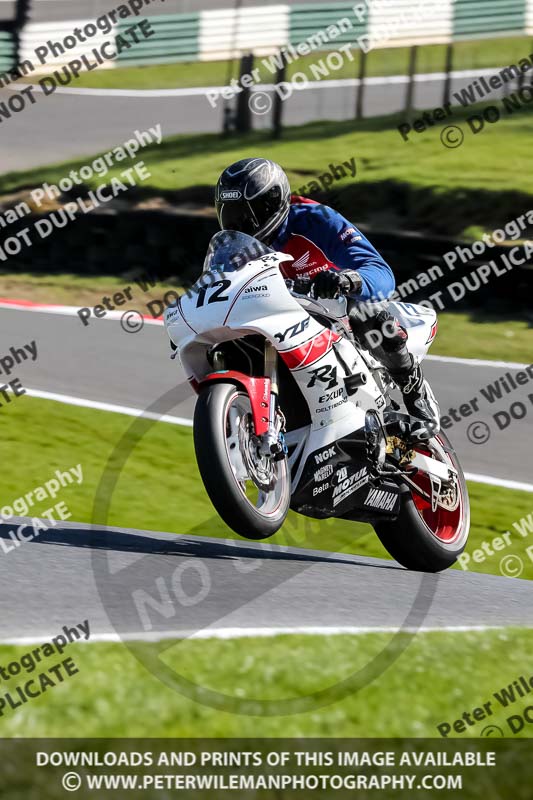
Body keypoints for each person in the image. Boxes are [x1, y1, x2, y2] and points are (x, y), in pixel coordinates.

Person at [215, 157, 440, 438]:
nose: (241, 223)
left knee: (365, 311)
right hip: (277, 321)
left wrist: (348, 280)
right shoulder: (233, 250)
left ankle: (412, 388)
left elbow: (380, 273)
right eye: (231, 214)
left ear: (272, 203)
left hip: (334, 314)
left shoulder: (315, 220)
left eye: (249, 213)